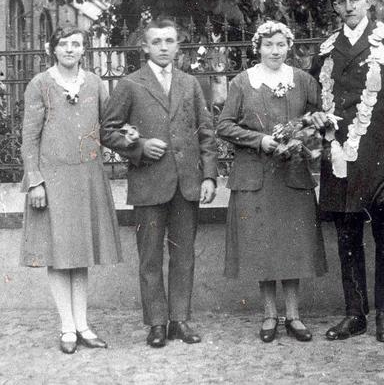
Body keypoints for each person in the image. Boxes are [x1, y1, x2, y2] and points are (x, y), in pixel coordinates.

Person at [310, 0, 384, 342]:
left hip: (378, 158)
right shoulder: (327, 49)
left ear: (367, 0)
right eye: (340, 1)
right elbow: (315, 100)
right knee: (346, 237)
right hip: (339, 157)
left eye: (353, 0)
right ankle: (354, 312)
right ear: (335, 6)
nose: (347, 8)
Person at [101, 18, 218, 348]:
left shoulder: (190, 83)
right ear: (145, 46)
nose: (164, 47)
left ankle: (179, 320)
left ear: (178, 45)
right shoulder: (130, 84)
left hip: (187, 183)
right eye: (157, 42)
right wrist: (139, 147)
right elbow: (107, 130)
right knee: (150, 256)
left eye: (170, 41)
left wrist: (209, 175)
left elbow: (206, 132)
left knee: (184, 255)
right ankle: (156, 323)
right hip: (149, 183)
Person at [216, 21, 327, 343]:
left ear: (288, 46)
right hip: (256, 177)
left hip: (292, 175)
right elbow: (224, 126)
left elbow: (320, 119)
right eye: (268, 45)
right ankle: (269, 315)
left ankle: (294, 315)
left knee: (293, 247)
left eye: (280, 44)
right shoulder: (243, 82)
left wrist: (307, 132)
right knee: (262, 247)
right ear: (258, 48)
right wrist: (260, 141)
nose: (275, 51)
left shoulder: (303, 81)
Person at [20, 26, 122, 354]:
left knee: (80, 255)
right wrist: (35, 181)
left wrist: (131, 140)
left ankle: (83, 325)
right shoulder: (40, 84)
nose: (69, 49)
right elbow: (29, 136)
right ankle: (67, 327)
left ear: (84, 50)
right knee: (58, 253)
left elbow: (109, 128)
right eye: (63, 44)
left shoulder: (94, 84)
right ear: (53, 49)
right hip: (52, 180)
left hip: (87, 178)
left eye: (76, 44)